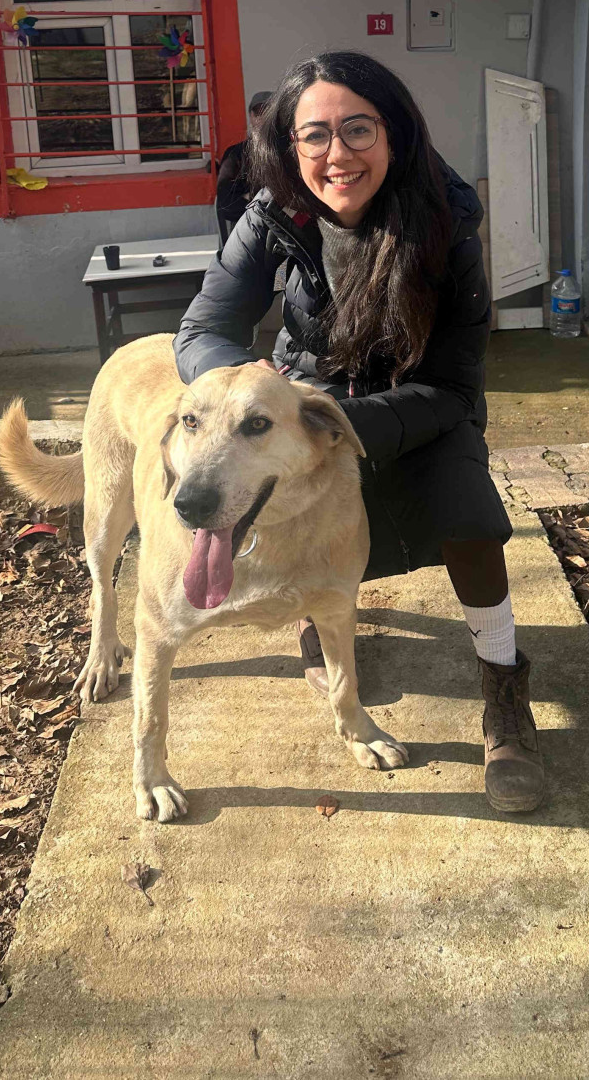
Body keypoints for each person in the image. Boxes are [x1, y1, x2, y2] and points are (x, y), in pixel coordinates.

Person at [174, 51, 544, 813]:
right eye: (315, 135)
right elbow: (204, 326)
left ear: (395, 133)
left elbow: (452, 383)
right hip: (307, 399)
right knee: (291, 501)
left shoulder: (449, 226)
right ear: (290, 145)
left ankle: (504, 692)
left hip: (420, 405)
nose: (336, 154)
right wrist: (258, 395)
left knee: (469, 512)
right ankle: (319, 619)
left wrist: (344, 425)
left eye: (357, 129)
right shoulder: (271, 211)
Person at [215, 91, 272, 245]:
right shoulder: (236, 155)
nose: (262, 118)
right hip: (248, 238)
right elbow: (226, 204)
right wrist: (265, 201)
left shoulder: (293, 153)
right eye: (258, 113)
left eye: (269, 112)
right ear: (250, 117)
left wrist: (250, 197)